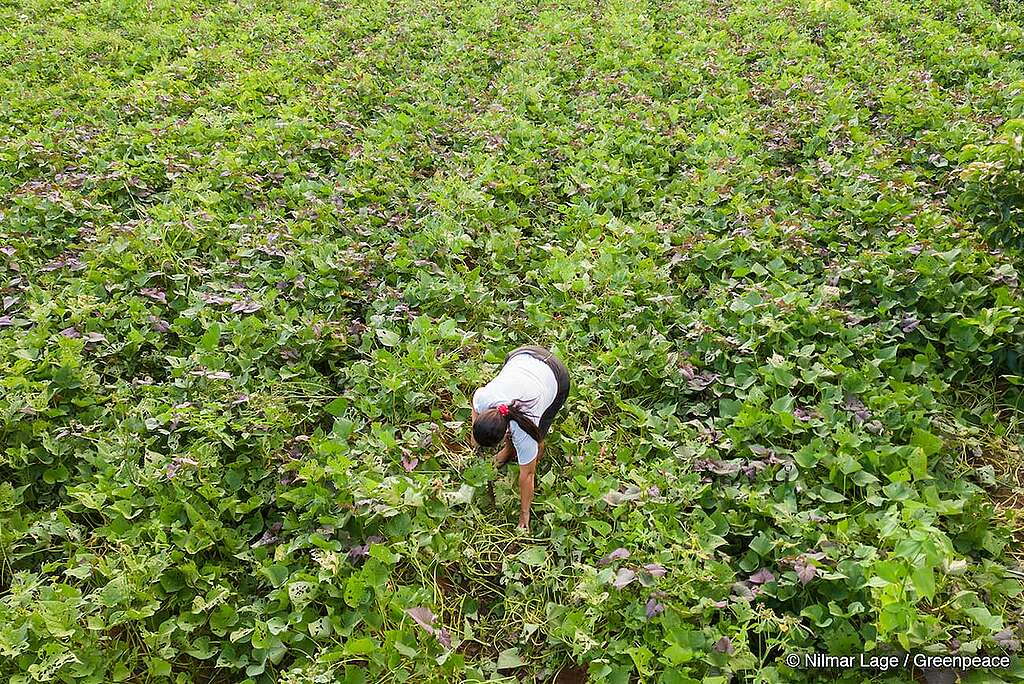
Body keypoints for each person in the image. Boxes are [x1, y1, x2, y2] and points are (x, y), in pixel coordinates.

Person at [471, 345, 570, 531]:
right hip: (520, 354)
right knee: (519, 442)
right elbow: (474, 408)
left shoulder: (526, 429)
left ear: (505, 435)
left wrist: (524, 514)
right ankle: (508, 452)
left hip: (556, 375)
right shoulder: (484, 398)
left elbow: (527, 475)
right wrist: (474, 441)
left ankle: (517, 452)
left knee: (537, 440)